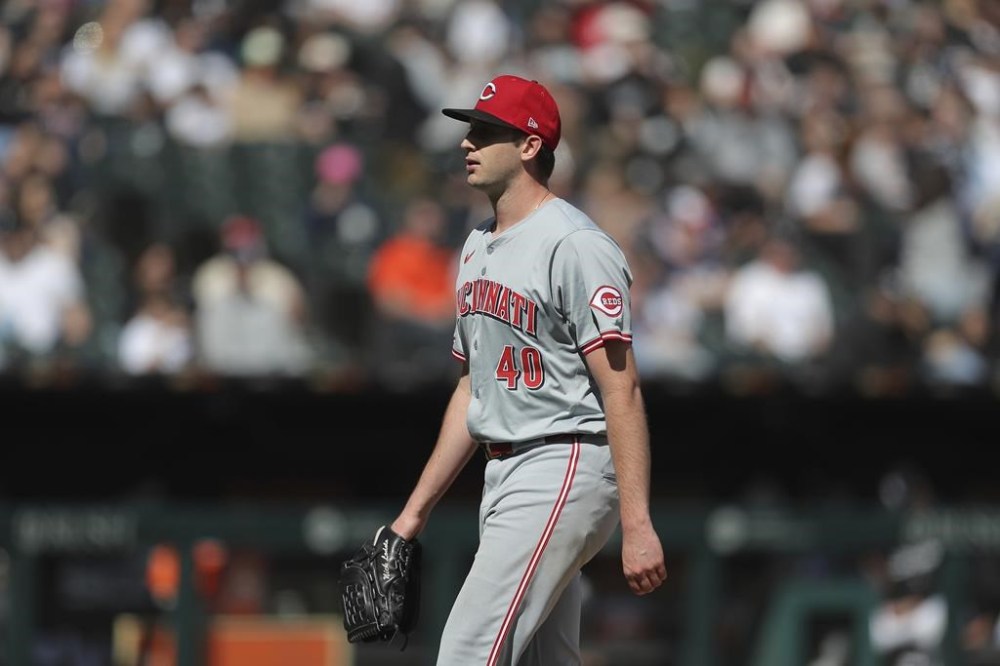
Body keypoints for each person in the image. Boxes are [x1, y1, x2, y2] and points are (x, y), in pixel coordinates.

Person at [385, 73, 667, 665]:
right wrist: (413, 515)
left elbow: (622, 388)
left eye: (486, 132)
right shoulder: (476, 246)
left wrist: (637, 522)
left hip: (562, 460)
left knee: (467, 652)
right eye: (470, 130)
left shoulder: (574, 244)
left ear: (531, 146)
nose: (468, 142)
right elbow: (473, 390)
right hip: (505, 471)